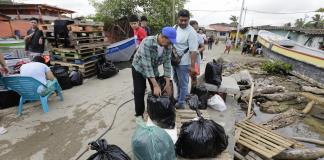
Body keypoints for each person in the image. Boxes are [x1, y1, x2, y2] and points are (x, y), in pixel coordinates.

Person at [132, 27, 176, 117]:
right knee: (139, 91)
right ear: (163, 37)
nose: (170, 44)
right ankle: (139, 114)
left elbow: (167, 63)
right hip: (139, 67)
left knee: (157, 90)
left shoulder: (168, 46)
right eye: (169, 41)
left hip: (153, 67)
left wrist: (167, 83)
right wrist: (155, 85)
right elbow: (147, 65)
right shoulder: (147, 42)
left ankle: (154, 111)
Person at [174, 9, 198, 109]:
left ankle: (181, 103)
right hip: (174, 60)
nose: (183, 22)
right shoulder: (175, 27)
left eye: (185, 20)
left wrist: (192, 67)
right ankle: (179, 97)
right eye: (181, 20)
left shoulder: (191, 32)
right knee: (176, 81)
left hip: (184, 63)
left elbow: (193, 51)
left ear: (188, 20)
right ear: (177, 19)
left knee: (183, 83)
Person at [189, 20, 205, 87]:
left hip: (195, 59)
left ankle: (193, 92)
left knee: (194, 76)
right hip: (186, 58)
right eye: (194, 28)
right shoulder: (186, 35)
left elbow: (203, 47)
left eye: (196, 28)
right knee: (184, 76)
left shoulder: (199, 36)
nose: (196, 29)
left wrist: (197, 51)